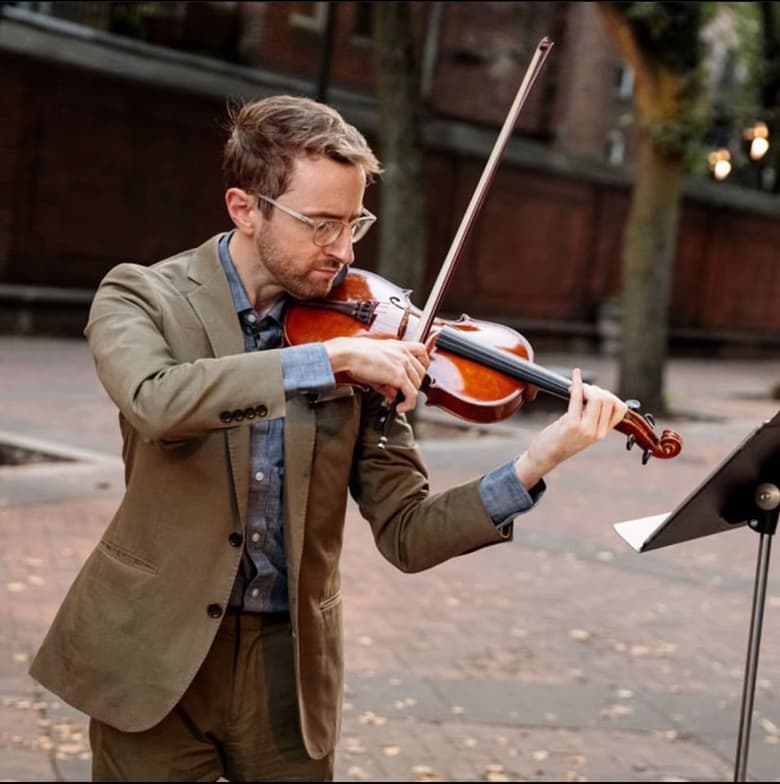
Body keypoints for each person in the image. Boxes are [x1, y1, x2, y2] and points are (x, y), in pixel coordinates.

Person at [30, 95, 627, 782]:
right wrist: (329, 363)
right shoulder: (143, 297)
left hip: (287, 672)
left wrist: (537, 460)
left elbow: (407, 532)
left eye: (354, 224)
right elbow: (158, 400)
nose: (342, 250)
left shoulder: (365, 332)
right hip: (152, 655)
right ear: (245, 208)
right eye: (320, 225)